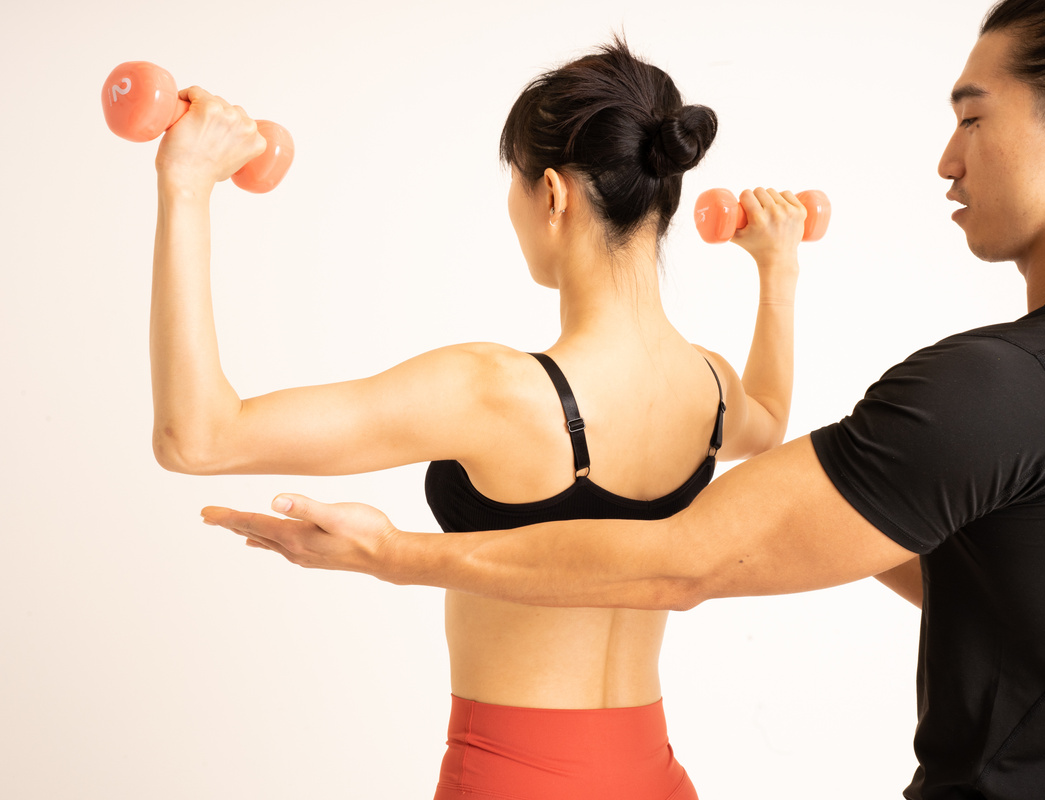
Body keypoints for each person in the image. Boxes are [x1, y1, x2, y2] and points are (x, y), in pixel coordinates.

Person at [203, 1, 1045, 797]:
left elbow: (685, 560)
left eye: (972, 117)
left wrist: (392, 555)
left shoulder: (998, 385)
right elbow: (1032, 588)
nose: (947, 157)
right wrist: (777, 275)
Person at [156, 38, 811, 800]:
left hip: (511, 779)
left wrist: (187, 186)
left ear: (553, 195)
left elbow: (197, 438)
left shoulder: (493, 392)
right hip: (655, 777)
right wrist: (779, 269)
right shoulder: (711, 389)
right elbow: (770, 419)